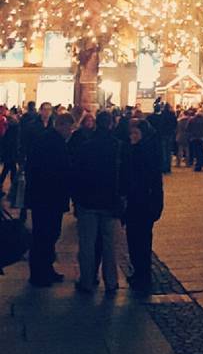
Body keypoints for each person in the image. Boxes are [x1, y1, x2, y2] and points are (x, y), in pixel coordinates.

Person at [72, 110, 121, 294]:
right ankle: (111, 281)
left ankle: (86, 281)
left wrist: (76, 199)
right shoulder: (118, 146)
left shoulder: (86, 146)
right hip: (109, 202)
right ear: (110, 124)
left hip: (87, 201)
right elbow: (123, 176)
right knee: (109, 244)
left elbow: (77, 174)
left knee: (87, 244)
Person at [25, 112, 73, 287]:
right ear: (62, 126)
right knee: (44, 235)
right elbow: (55, 170)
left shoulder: (49, 140)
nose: (70, 132)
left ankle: (45, 269)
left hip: (45, 197)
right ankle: (39, 273)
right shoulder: (52, 142)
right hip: (48, 197)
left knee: (48, 234)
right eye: (70, 128)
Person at [120, 119, 164, 292]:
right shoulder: (134, 151)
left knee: (141, 240)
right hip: (136, 203)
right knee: (136, 240)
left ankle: (142, 274)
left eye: (136, 133)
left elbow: (154, 182)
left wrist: (157, 203)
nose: (132, 136)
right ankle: (139, 272)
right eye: (131, 133)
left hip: (143, 203)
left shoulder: (144, 154)